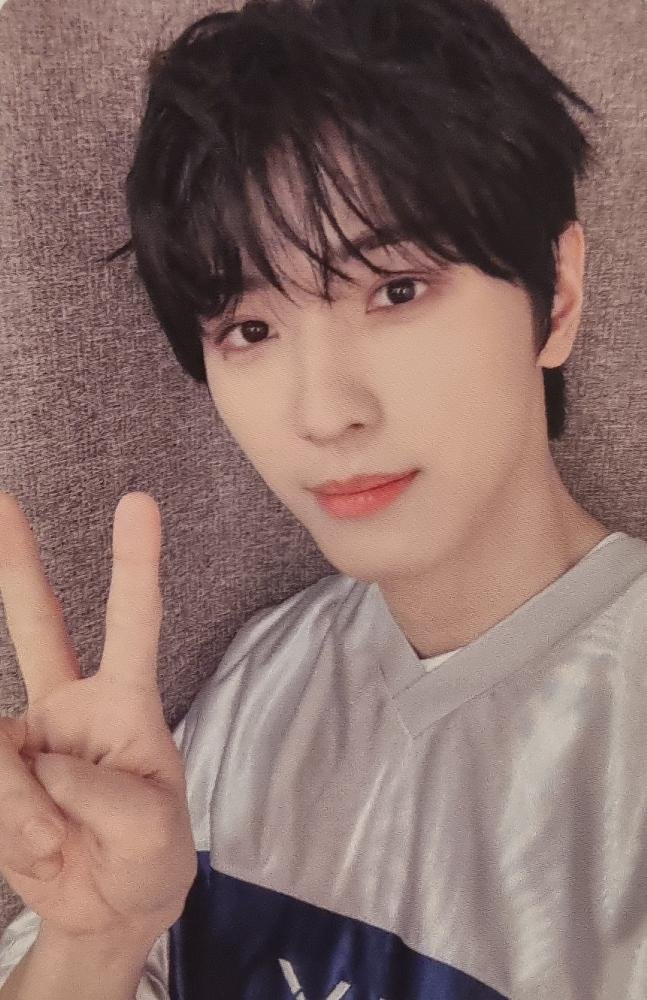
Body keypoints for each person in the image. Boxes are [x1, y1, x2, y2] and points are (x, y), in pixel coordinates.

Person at [0, 0, 645, 997]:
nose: (323, 413)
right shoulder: (260, 678)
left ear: (553, 296)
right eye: (250, 330)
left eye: (396, 290)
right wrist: (97, 944)